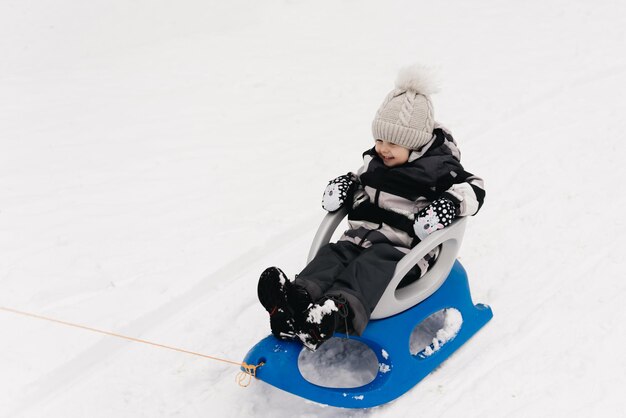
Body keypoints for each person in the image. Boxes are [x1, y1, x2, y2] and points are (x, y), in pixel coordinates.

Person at [257, 64, 485, 351]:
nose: (382, 149)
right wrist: (346, 185)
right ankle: (296, 301)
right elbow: (360, 179)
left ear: (415, 145)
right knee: (331, 257)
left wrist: (448, 205)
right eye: (379, 139)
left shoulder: (439, 170)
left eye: (392, 143)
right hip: (358, 239)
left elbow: (474, 187)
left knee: (367, 269)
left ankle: (334, 314)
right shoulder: (376, 162)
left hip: (404, 252)